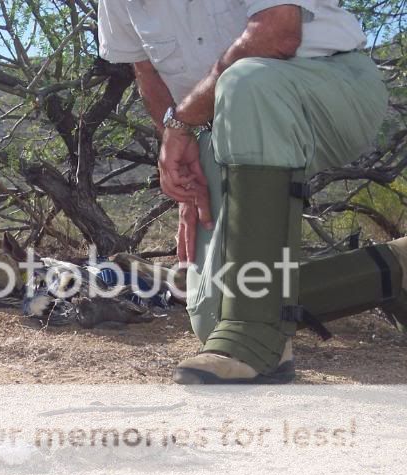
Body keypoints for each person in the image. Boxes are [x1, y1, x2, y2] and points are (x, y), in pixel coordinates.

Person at [98, 0, 407, 384]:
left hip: (330, 86)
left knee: (247, 81)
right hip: (219, 122)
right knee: (213, 318)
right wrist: (187, 166)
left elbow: (276, 33)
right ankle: (394, 266)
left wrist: (181, 125)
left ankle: (260, 341)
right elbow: (146, 72)